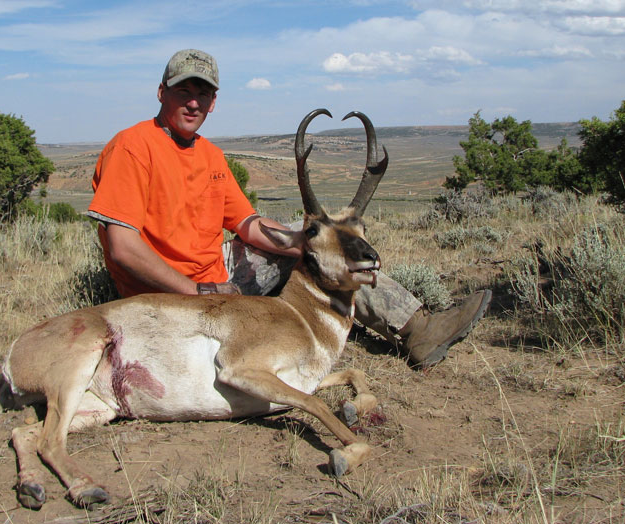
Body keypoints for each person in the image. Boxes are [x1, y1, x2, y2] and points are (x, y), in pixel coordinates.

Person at [88, 49, 491, 368]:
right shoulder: (132, 147)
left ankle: (418, 328)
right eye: (183, 92)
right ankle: (411, 328)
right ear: (162, 92)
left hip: (217, 278)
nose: (193, 103)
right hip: (169, 296)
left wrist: (304, 242)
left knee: (325, 247)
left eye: (203, 94)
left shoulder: (209, 155)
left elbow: (246, 223)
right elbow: (123, 247)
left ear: (214, 102)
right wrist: (198, 290)